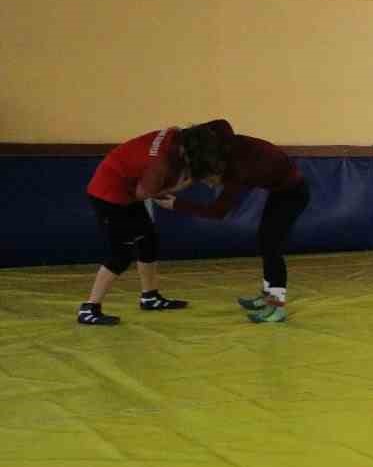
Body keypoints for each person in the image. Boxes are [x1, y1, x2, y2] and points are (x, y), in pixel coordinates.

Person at [155, 120, 311, 324]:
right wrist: (186, 136)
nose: (210, 186)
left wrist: (176, 205)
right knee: (265, 241)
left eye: (209, 180)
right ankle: (267, 295)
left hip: (293, 193)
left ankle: (276, 307)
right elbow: (222, 123)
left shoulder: (237, 171)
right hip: (281, 188)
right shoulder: (221, 140)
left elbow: (218, 212)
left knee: (271, 246)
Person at [77, 125, 192, 325]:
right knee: (121, 254)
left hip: (123, 189)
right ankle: (89, 308)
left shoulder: (174, 134)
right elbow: (144, 193)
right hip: (109, 196)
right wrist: (183, 184)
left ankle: (150, 296)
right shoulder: (161, 162)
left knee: (148, 240)